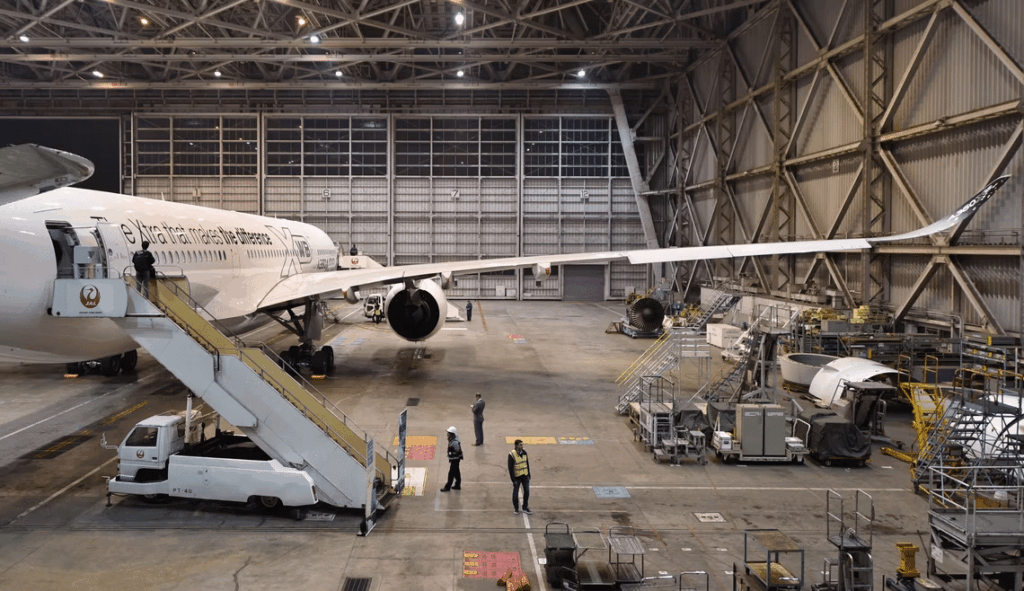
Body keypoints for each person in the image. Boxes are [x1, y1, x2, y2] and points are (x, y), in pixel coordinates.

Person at [507, 439, 531, 514]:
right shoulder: (512, 454)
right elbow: (510, 468)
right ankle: (516, 508)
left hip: (525, 475)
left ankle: (525, 507)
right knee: (515, 493)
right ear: (516, 445)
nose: (522, 446)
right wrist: (513, 479)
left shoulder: (524, 452)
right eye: (520, 445)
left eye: (522, 445)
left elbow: (526, 463)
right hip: (517, 477)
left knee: (527, 491)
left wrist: (528, 474)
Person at [440, 426, 463, 492]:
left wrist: (453, 456)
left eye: (448, 433)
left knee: (451, 473)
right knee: (456, 472)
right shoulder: (452, 440)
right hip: (454, 459)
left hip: (455, 460)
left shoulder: (454, 442)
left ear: (451, 434)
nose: (447, 434)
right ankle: (457, 485)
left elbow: (458, 450)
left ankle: (447, 487)